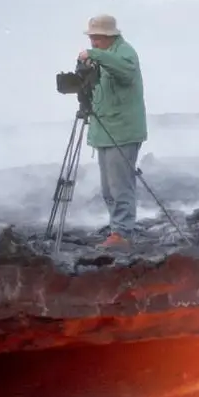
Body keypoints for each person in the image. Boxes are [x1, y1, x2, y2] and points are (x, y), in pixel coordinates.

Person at [76, 14, 147, 248]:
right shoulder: (102, 58)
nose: (93, 42)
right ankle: (117, 230)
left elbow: (125, 72)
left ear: (110, 36)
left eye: (97, 38)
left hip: (123, 132)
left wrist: (96, 56)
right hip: (104, 131)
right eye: (92, 38)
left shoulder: (125, 52)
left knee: (120, 186)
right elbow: (95, 92)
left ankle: (123, 234)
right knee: (108, 188)